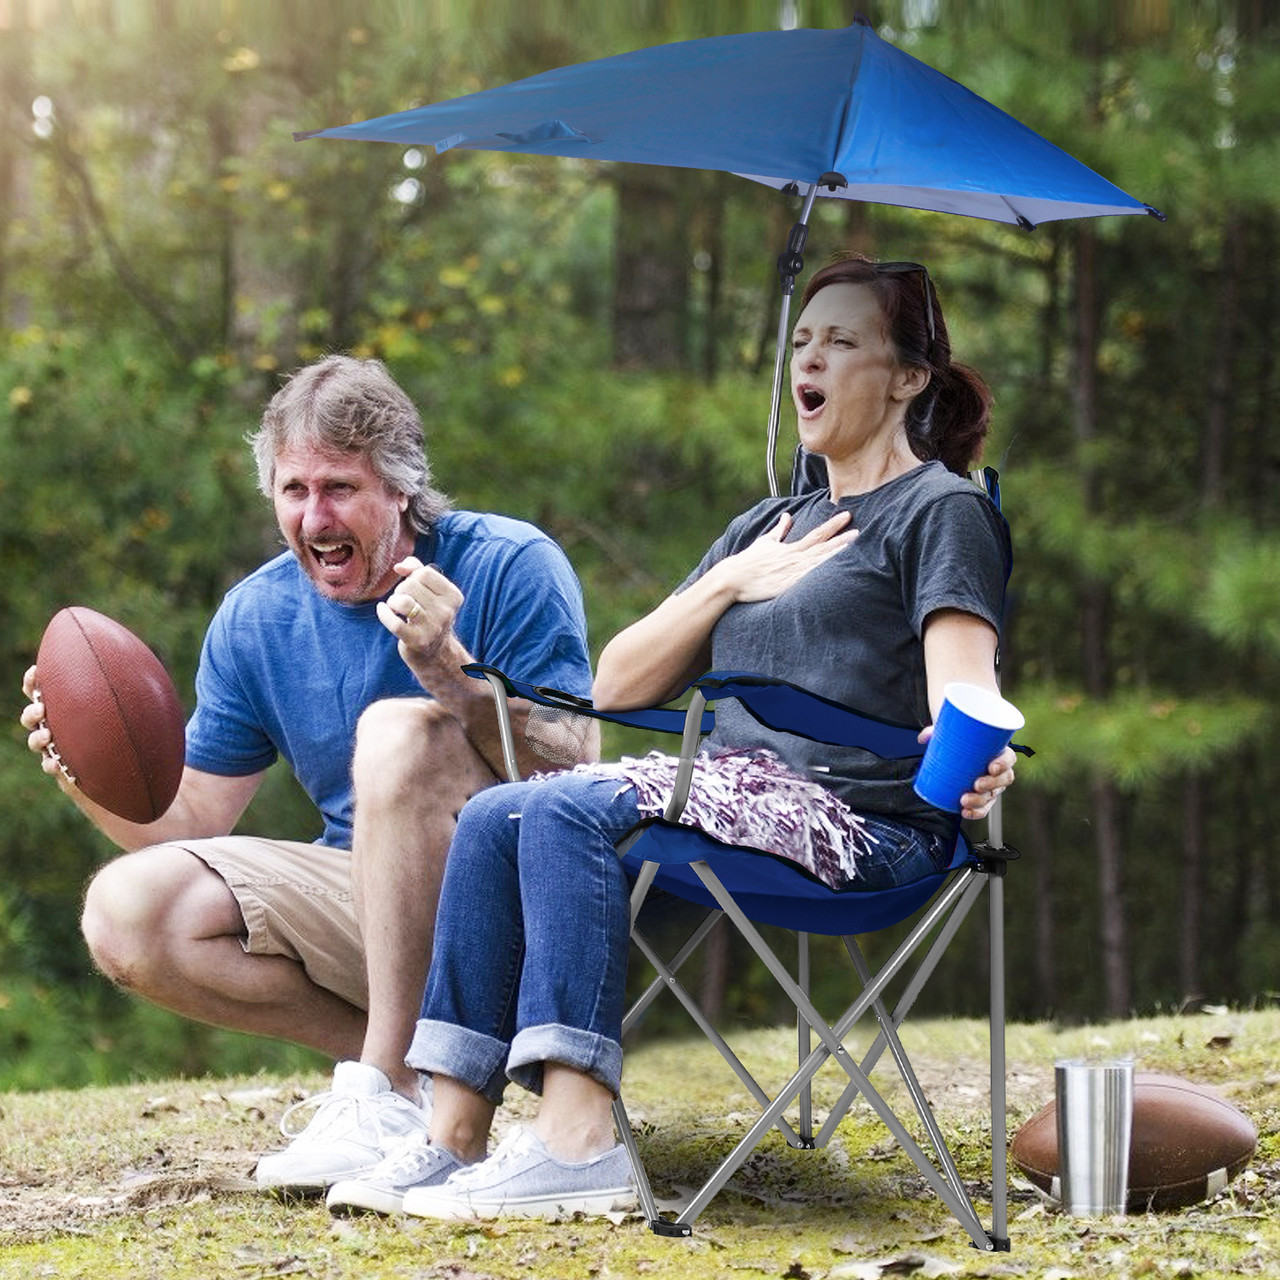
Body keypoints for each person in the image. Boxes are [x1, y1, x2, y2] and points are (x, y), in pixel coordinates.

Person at [321, 253, 1019, 1221]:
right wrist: (730, 579)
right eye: (801, 339)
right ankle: (449, 1136)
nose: (806, 358)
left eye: (841, 340)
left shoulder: (938, 509)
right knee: (495, 811)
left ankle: (576, 1143)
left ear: (907, 376)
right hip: (724, 791)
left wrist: (976, 750)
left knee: (566, 804)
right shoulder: (767, 522)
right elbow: (616, 683)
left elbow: (963, 684)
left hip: (860, 822)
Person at [18, 354, 595, 1192]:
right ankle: (404, 1078)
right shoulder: (256, 616)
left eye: (339, 488)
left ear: (399, 490)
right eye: (295, 491)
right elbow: (188, 822)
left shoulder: (510, 565)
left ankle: (391, 1079)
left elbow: (575, 767)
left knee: (397, 732)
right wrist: (83, 770)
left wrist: (451, 675)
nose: (314, 515)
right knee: (127, 909)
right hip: (368, 903)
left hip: (516, 911)